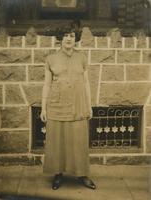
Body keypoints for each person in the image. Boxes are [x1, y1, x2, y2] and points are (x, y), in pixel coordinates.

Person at [40, 24, 96, 190]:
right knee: (57, 141)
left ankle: (82, 175)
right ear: (60, 38)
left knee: (79, 140)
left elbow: (86, 82)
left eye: (72, 35)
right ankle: (58, 174)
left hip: (78, 103)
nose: (68, 39)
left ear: (76, 38)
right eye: (65, 35)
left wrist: (89, 104)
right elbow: (46, 84)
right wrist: (43, 108)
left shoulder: (82, 58)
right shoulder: (51, 59)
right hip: (57, 104)